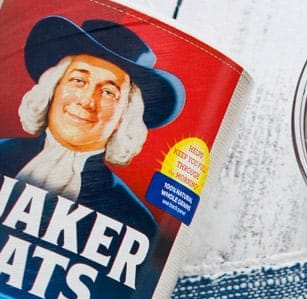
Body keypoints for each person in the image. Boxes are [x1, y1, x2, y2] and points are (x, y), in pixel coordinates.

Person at [0, 15, 185, 238]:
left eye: (108, 92)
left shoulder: (132, 221)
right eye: (78, 81)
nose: (86, 101)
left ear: (124, 117)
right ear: (53, 89)